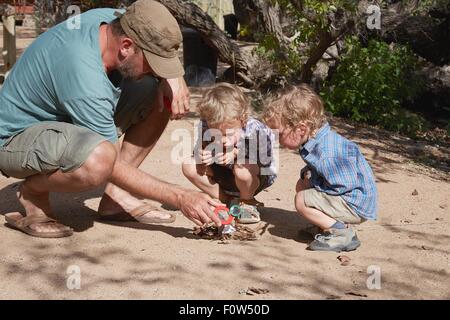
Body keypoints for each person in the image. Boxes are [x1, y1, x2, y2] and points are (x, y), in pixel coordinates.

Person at [0, 0, 222, 238]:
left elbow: (147, 26)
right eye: (153, 63)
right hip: (15, 140)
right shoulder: (85, 77)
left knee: (162, 96)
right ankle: (33, 192)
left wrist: (173, 79)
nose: (156, 70)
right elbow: (112, 165)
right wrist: (181, 196)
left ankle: (114, 199)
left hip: (60, 121)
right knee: (100, 159)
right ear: (126, 46)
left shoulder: (114, 20)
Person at [262, 84, 377, 252]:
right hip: (349, 198)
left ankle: (341, 233)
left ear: (301, 129)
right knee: (302, 184)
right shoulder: (314, 141)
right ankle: (325, 226)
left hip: (354, 204)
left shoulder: (327, 152)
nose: (277, 140)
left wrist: (315, 184)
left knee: (301, 199)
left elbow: (345, 185)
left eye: (279, 135)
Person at [182, 83, 277, 224]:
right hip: (224, 171)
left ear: (243, 119)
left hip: (254, 177)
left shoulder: (254, 128)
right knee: (189, 165)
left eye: (228, 134)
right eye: (217, 134)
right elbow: (201, 146)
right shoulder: (206, 124)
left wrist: (238, 152)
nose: (223, 140)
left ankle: (247, 201)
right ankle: (227, 200)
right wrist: (202, 155)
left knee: (243, 166)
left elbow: (264, 158)